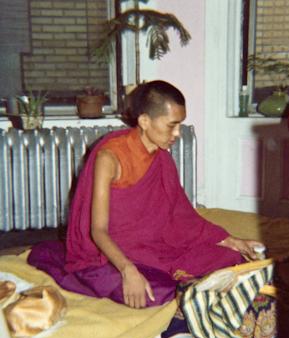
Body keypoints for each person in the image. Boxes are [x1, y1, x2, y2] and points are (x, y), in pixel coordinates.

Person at [28, 80, 264, 309]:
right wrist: (128, 270)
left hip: (156, 246)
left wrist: (232, 241)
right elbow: (97, 230)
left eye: (180, 124)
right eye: (171, 125)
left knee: (230, 259)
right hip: (111, 253)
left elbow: (181, 217)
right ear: (144, 121)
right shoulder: (109, 158)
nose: (178, 133)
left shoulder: (161, 158)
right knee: (156, 294)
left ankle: (184, 280)